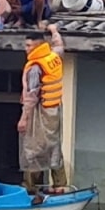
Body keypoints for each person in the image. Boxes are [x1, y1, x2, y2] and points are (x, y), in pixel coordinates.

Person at [18, 25, 66, 191]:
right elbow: (59, 46)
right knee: (53, 145)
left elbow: (31, 97)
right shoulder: (53, 57)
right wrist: (54, 31)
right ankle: (60, 185)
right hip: (55, 110)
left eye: (28, 46)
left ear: (38, 46)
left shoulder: (35, 67)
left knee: (33, 147)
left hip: (40, 111)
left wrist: (24, 119)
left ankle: (30, 188)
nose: (26, 49)